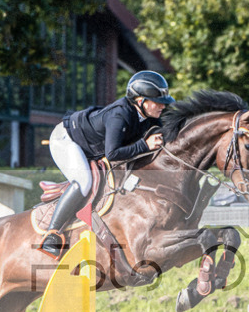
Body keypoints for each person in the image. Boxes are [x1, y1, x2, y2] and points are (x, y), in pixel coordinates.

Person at [39, 70, 174, 258]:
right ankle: (52, 235)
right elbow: (113, 154)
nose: (162, 106)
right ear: (141, 101)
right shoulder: (120, 115)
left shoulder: (149, 116)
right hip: (66, 139)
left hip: (91, 146)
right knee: (84, 181)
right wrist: (144, 145)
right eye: (158, 101)